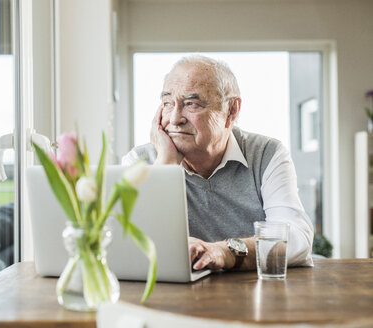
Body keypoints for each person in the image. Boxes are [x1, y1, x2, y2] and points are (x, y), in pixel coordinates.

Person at [122, 55, 313, 271]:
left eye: (191, 104)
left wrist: (226, 252)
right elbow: (130, 246)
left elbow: (296, 238)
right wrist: (165, 165)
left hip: (252, 295)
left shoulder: (267, 154)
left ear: (231, 110)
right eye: (167, 103)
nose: (174, 118)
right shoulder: (139, 162)